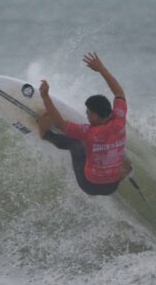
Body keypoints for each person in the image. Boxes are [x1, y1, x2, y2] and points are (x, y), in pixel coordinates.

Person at [37, 53, 131, 196]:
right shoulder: (119, 118)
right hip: (112, 186)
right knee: (120, 155)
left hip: (89, 185)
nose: (86, 114)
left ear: (95, 115)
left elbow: (60, 124)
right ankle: (120, 170)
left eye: (88, 112)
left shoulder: (89, 133)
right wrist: (101, 69)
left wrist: (45, 97)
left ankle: (46, 134)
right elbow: (118, 92)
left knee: (76, 144)